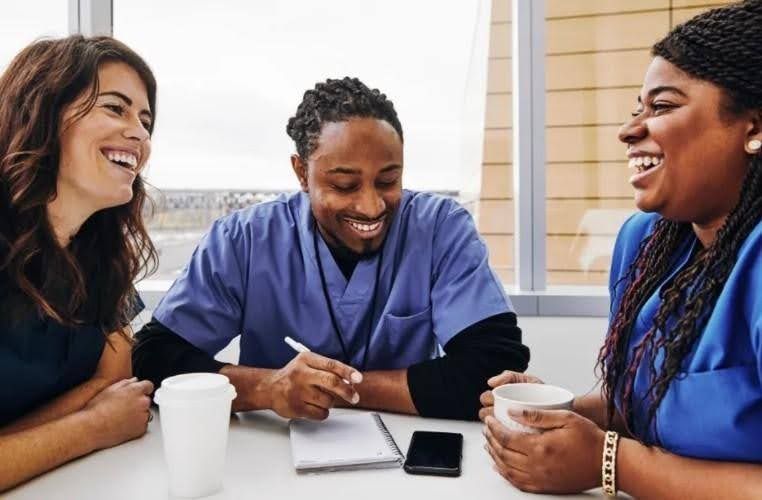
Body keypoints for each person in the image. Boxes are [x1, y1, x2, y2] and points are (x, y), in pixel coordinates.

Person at [479, 1, 762, 498]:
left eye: (663, 106)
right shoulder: (646, 243)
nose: (630, 130)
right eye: (638, 108)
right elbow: (643, 402)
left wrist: (608, 465)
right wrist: (552, 410)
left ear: (754, 129)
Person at [133, 77, 529, 421]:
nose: (371, 206)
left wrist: (337, 390)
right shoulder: (244, 240)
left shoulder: (440, 229)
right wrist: (269, 389)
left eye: (388, 180)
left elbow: (495, 372)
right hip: (268, 453)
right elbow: (155, 359)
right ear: (301, 172)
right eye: (344, 185)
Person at [0, 36, 157, 491]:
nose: (140, 135)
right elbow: (110, 411)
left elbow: (116, 383)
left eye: (145, 121)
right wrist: (90, 426)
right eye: (115, 108)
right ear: (42, 114)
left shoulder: (103, 255)